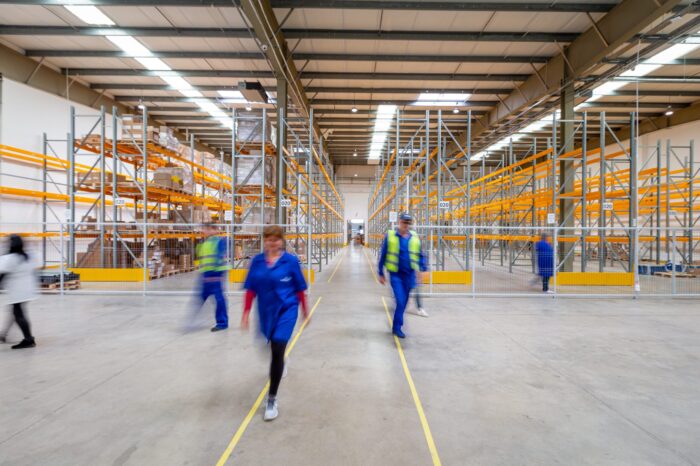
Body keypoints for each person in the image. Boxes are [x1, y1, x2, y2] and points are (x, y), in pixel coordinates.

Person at [241, 225, 309, 421]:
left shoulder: (291, 261)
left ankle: (272, 398)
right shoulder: (257, 262)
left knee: (278, 346)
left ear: (282, 241)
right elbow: (251, 289)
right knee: (270, 348)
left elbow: (299, 288)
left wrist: (304, 309)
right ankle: (282, 360)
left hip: (287, 310)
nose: (272, 242)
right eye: (269, 239)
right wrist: (245, 313)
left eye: (276, 239)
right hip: (266, 311)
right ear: (265, 241)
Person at [377, 213, 427, 338]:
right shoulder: (391, 236)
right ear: (399, 222)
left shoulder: (414, 237)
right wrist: (380, 272)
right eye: (404, 222)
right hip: (396, 275)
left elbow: (420, 255)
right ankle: (397, 327)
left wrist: (423, 268)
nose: (406, 225)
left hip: (410, 275)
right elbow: (383, 255)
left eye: (408, 223)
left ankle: (396, 325)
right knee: (400, 300)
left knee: (404, 302)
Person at [0, 235, 38, 349]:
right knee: (15, 312)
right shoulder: (27, 256)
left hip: (17, 290)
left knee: (18, 314)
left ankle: (28, 339)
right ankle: (3, 335)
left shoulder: (10, 258)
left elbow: (3, 275)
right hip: (27, 289)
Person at [195, 223, 229, 331]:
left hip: (215, 275)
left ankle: (222, 323)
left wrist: (217, 275)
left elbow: (220, 258)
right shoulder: (204, 243)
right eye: (204, 229)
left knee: (219, 299)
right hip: (205, 275)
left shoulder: (219, 241)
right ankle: (191, 321)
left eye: (207, 229)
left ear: (214, 230)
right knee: (200, 298)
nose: (204, 231)